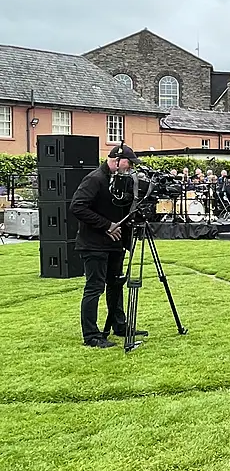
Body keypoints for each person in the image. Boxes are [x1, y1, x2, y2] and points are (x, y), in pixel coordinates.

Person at [69, 144, 148, 348]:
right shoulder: (95, 179)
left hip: (114, 244)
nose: (130, 168)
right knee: (94, 287)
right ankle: (91, 335)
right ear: (117, 160)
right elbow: (77, 206)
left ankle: (119, 325)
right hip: (94, 244)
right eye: (128, 163)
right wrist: (107, 225)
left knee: (116, 284)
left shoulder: (119, 182)